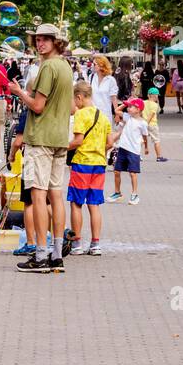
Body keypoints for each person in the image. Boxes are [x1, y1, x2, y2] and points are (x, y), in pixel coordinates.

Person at [5, 24, 74, 273]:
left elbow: (37, 106)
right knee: (56, 194)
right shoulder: (66, 67)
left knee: (37, 194)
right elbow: (72, 108)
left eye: (46, 40)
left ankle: (41, 254)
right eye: (38, 40)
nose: (40, 44)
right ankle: (57, 254)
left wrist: (18, 92)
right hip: (59, 138)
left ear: (56, 42)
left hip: (41, 138)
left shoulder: (47, 67)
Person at [67, 80, 114, 255]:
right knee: (94, 204)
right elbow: (109, 143)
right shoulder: (102, 116)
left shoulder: (81, 115)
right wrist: (98, 151)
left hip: (82, 164)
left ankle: (77, 243)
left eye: (74, 100)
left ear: (79, 97)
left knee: (76, 203)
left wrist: (63, 148)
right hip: (99, 164)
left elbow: (78, 140)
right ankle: (95, 244)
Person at [109, 97, 147, 205]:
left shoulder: (143, 123)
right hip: (122, 148)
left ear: (138, 109)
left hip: (133, 151)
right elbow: (116, 111)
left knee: (133, 173)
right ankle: (117, 192)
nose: (129, 108)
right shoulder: (127, 117)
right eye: (129, 107)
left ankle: (134, 195)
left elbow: (145, 136)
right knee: (116, 171)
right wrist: (125, 103)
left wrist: (146, 147)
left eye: (131, 107)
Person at [89, 55, 121, 130]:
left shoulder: (111, 80)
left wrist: (117, 114)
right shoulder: (91, 77)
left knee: (105, 139)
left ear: (101, 65)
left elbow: (114, 98)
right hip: (92, 114)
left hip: (105, 114)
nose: (92, 66)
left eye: (94, 64)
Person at [141, 88, 166, 161]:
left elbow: (140, 112)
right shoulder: (155, 105)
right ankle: (159, 157)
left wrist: (143, 123)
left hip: (143, 123)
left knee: (141, 140)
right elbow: (152, 114)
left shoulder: (143, 102)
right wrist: (146, 123)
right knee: (156, 140)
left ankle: (137, 156)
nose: (158, 97)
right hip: (152, 125)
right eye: (157, 95)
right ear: (155, 96)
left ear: (148, 95)